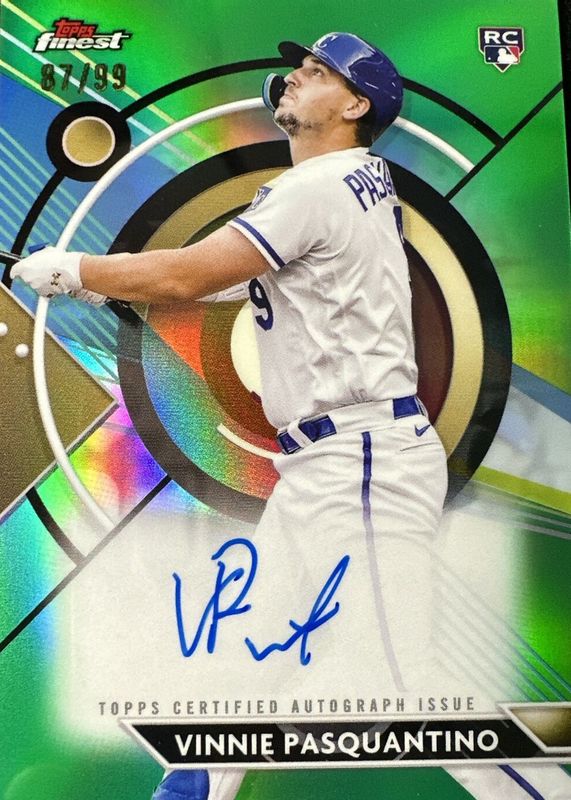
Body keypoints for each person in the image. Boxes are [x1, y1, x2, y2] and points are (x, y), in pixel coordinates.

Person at [13, 32, 450, 800]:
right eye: (299, 67)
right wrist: (93, 285)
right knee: (248, 653)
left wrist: (72, 267)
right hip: (332, 460)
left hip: (362, 458)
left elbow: (189, 275)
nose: (295, 77)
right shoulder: (343, 183)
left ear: (355, 105)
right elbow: (230, 283)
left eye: (319, 72)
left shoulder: (318, 187)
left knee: (404, 676)